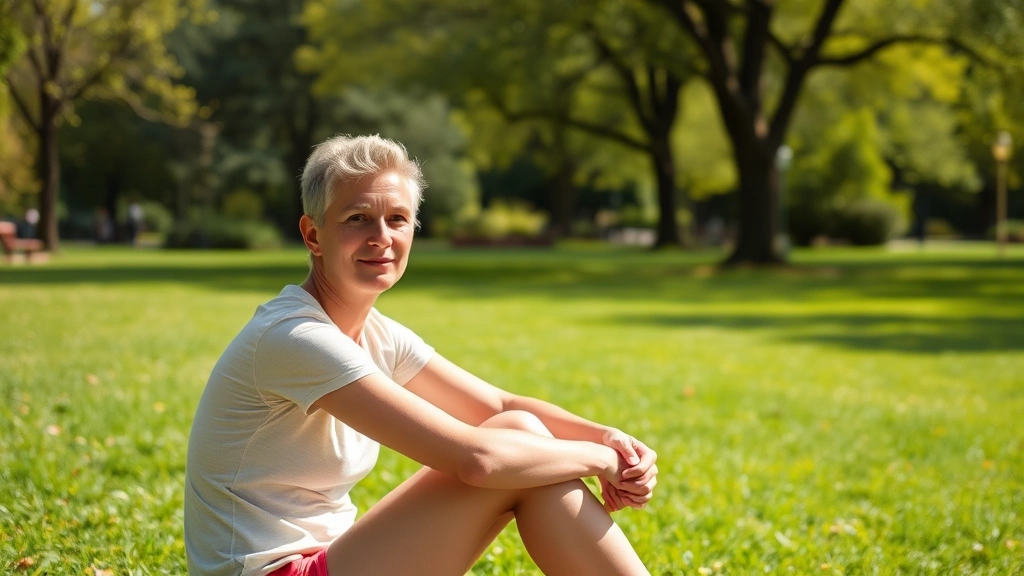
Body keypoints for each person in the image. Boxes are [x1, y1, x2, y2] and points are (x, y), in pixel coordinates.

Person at [184, 135, 658, 576]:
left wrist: (613, 440)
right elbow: (478, 461)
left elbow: (500, 408)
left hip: (331, 559)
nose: (381, 237)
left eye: (397, 218)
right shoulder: (295, 337)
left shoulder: (376, 334)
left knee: (521, 436)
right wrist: (598, 459)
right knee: (514, 452)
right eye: (357, 219)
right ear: (313, 236)